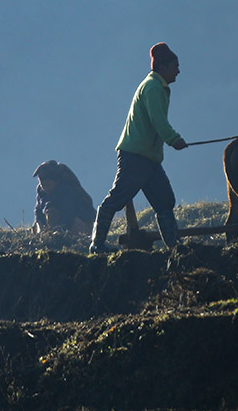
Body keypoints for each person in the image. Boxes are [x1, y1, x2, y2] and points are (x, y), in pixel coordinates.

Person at [90, 42, 188, 253]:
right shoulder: (153, 87)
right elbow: (158, 121)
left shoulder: (156, 86)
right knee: (117, 198)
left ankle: (175, 247)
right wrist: (174, 139)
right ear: (163, 66)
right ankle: (96, 244)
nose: (178, 71)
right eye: (175, 66)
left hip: (148, 157)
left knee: (165, 201)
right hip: (137, 156)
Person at [32, 160, 96, 234]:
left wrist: (60, 229)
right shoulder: (41, 192)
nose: (45, 188)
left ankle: (60, 238)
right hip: (64, 222)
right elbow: (38, 210)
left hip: (82, 224)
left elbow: (69, 214)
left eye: (48, 185)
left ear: (57, 181)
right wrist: (40, 225)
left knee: (52, 212)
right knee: (36, 224)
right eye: (43, 185)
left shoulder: (66, 191)